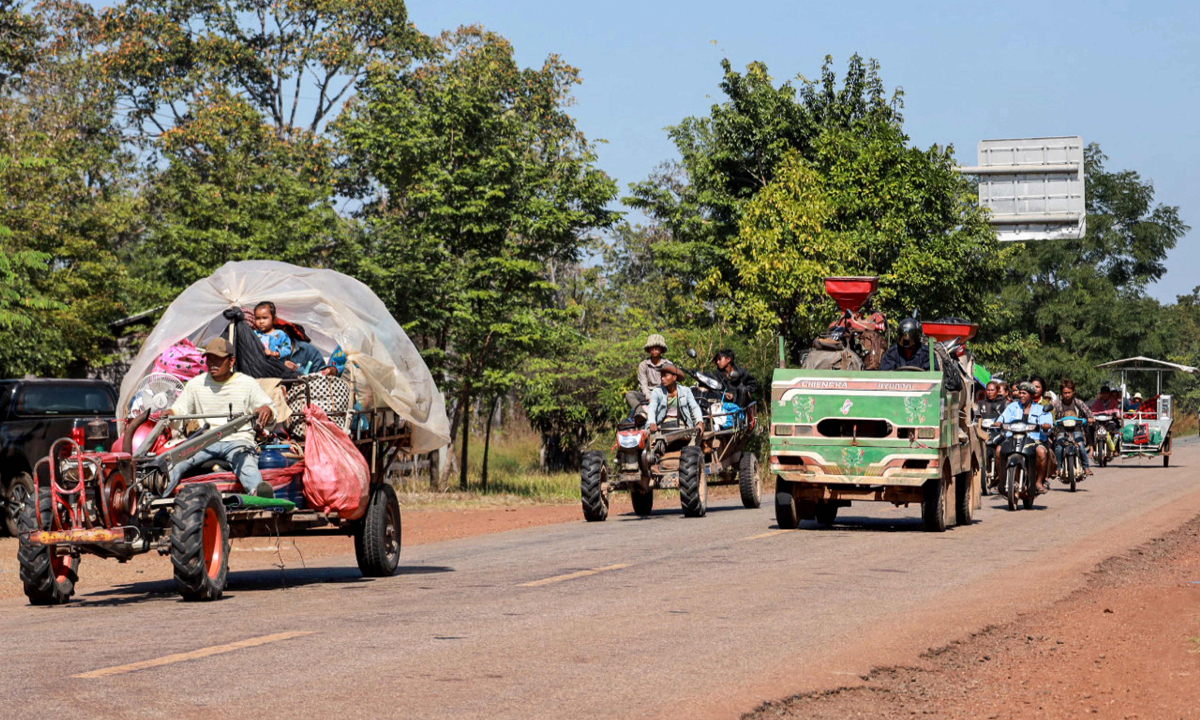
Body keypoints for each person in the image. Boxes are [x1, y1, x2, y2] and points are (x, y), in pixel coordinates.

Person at [163, 338, 277, 497]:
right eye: (209, 359)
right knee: (176, 462)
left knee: (246, 464)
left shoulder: (247, 384)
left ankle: (260, 494)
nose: (212, 363)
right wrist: (170, 414)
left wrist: (267, 410)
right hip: (205, 441)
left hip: (238, 440)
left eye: (218, 359)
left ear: (231, 361)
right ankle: (155, 499)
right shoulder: (196, 384)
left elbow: (269, 408)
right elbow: (179, 409)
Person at [998, 381, 1055, 493]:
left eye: (1024, 393)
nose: (1021, 396)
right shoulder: (1012, 407)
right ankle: (1002, 480)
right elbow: (1002, 418)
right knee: (999, 450)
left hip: (1033, 440)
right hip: (1013, 438)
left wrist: (1046, 426)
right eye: (1020, 393)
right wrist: (998, 423)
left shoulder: (1040, 409)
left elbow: (1048, 423)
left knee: (1041, 452)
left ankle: (1039, 481)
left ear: (1032, 395)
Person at [1052, 378, 1094, 478]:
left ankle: (1086, 467)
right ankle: (1058, 468)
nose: (1067, 395)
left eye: (1069, 392)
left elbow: (1088, 412)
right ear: (1061, 393)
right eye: (1064, 393)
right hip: (1062, 430)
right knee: (1058, 447)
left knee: (1081, 445)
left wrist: (1090, 418)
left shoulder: (1078, 403)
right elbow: (1051, 415)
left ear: (1073, 392)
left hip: (1077, 429)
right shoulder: (1057, 404)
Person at [646, 362, 704, 434]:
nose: (662, 378)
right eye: (662, 376)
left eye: (665, 376)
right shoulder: (657, 392)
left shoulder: (686, 391)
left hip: (681, 424)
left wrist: (700, 421)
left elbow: (694, 407)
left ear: (674, 377)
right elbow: (652, 408)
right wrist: (652, 422)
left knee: (692, 439)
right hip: (662, 425)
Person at [626, 334, 670, 420]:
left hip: (663, 393)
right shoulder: (643, 365)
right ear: (649, 349)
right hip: (647, 394)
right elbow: (643, 384)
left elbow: (669, 384)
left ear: (661, 349)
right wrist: (649, 398)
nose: (654, 350)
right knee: (630, 394)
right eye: (652, 348)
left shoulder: (667, 364)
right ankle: (641, 413)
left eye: (657, 348)